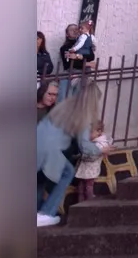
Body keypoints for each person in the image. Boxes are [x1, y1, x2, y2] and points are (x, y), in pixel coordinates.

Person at [36, 78, 111, 227]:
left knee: (41, 179)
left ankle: (37, 212)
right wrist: (101, 149)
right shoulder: (83, 112)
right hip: (48, 147)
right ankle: (46, 213)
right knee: (68, 172)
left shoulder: (67, 104)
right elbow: (84, 145)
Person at [74, 119, 111, 202]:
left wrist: (83, 155)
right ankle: (80, 203)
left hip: (91, 169)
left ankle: (89, 202)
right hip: (84, 168)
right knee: (80, 187)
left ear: (99, 131)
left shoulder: (101, 143)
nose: (88, 135)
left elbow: (94, 156)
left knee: (88, 186)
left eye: (90, 132)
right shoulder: (90, 142)